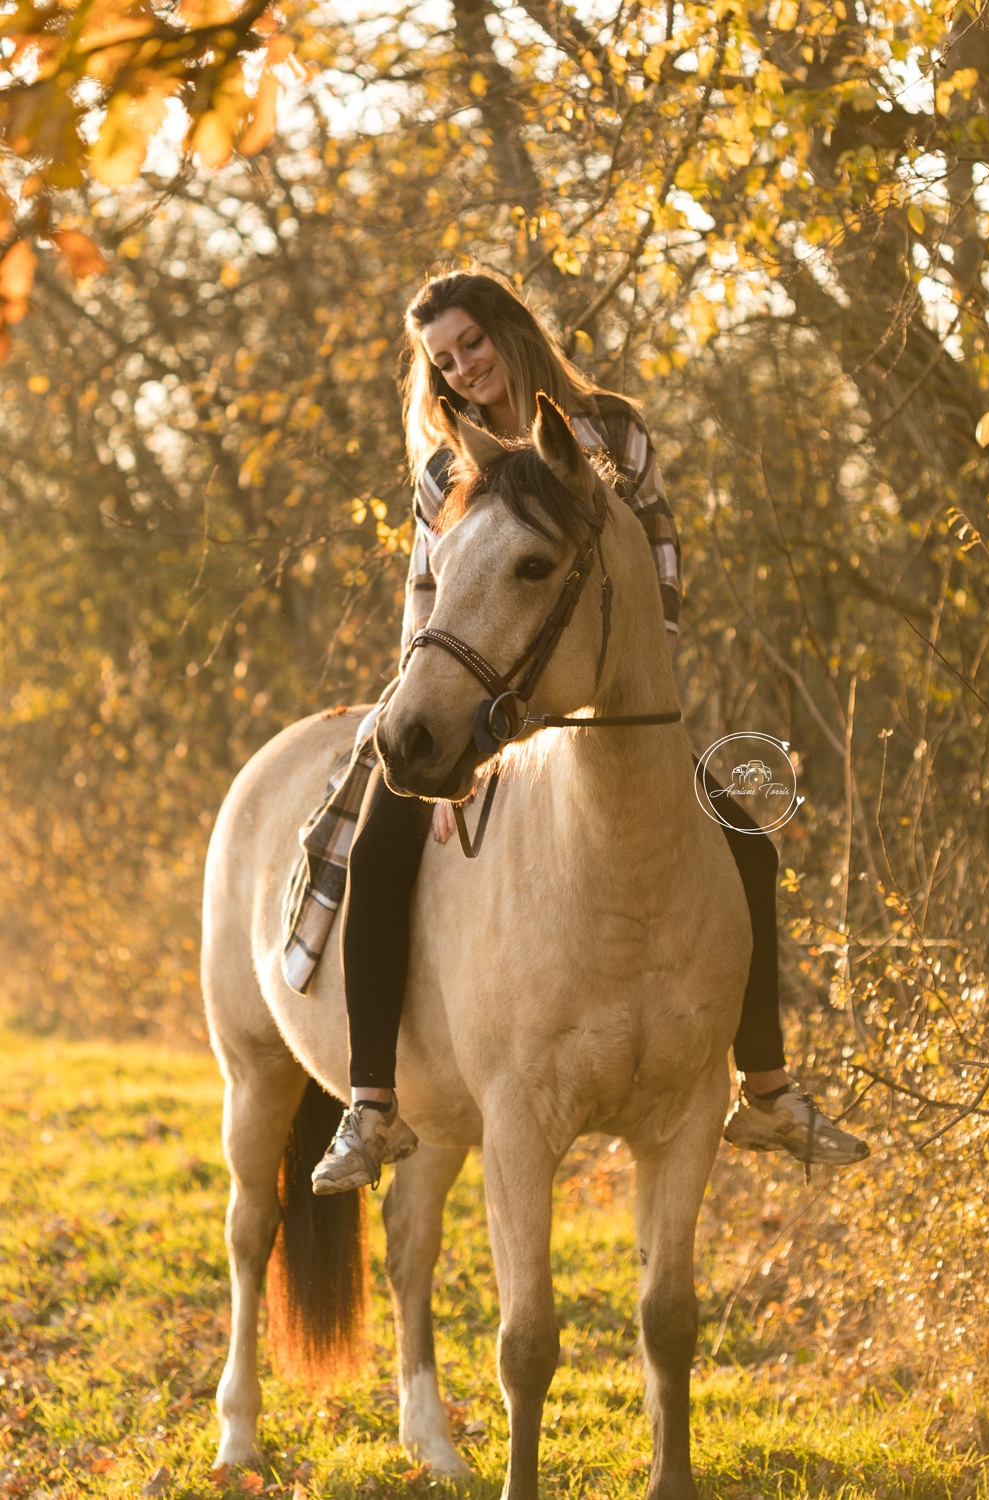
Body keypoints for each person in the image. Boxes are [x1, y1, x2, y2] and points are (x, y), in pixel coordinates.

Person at [308, 268, 869, 1194]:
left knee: (748, 844)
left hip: (609, 697)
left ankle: (765, 1088)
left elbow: (659, 552)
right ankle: (370, 1105)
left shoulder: (612, 429)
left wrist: (642, 668)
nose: (461, 370)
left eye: (470, 345)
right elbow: (426, 593)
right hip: (469, 702)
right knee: (377, 847)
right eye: (441, 363)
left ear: (506, 328)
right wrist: (436, 721)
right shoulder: (449, 467)